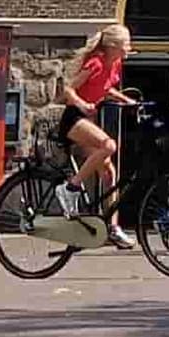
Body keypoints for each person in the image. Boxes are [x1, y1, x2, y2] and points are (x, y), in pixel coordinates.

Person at [57, 22, 140, 251]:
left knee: (109, 172)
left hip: (88, 120)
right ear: (113, 46)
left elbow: (106, 88)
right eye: (125, 45)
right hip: (74, 118)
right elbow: (68, 90)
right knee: (108, 145)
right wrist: (82, 104)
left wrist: (127, 101)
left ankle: (112, 228)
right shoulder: (95, 62)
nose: (128, 49)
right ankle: (70, 187)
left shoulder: (115, 64)